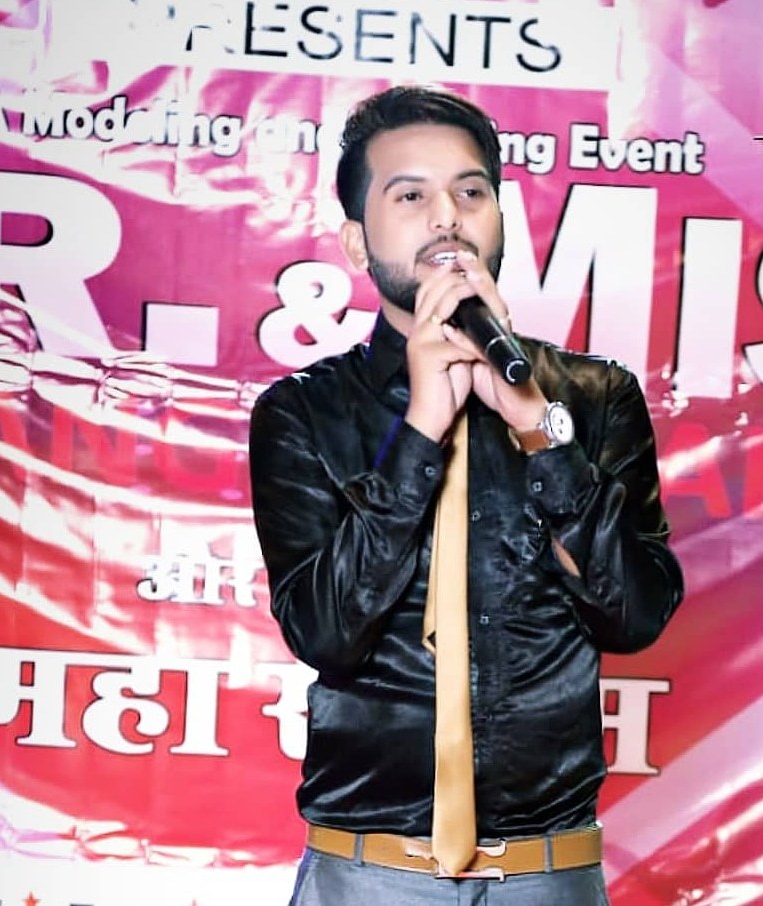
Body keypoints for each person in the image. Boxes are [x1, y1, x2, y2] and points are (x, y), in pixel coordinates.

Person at [249, 85, 684, 905]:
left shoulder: (594, 399)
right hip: (368, 874)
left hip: (546, 872)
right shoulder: (302, 413)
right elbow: (325, 630)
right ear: (356, 241)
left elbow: (635, 616)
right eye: (410, 196)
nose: (447, 217)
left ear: (500, 220)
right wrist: (419, 428)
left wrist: (538, 430)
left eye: (471, 191)